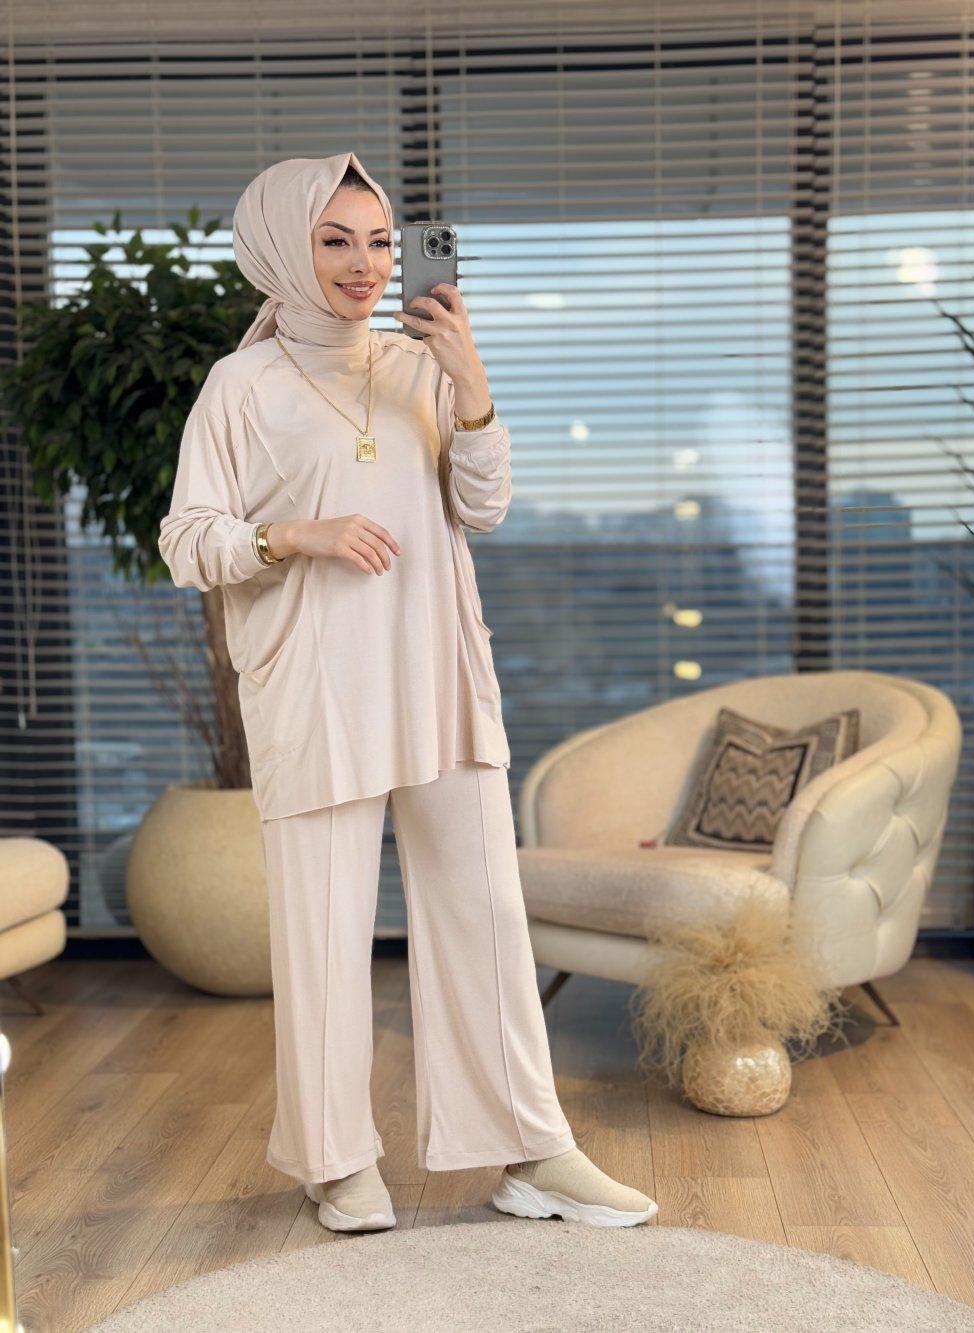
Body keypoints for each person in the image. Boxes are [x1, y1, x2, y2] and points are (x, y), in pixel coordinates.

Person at [157, 152, 657, 1232]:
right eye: (336, 240)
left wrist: (470, 385)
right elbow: (187, 541)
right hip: (315, 690)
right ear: (281, 246)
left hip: (437, 673)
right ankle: (335, 1161)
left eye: (381, 241)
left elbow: (483, 507)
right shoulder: (240, 386)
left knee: (486, 919)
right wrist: (297, 533)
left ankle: (533, 1149)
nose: (366, 263)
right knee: (325, 932)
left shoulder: (420, 363)